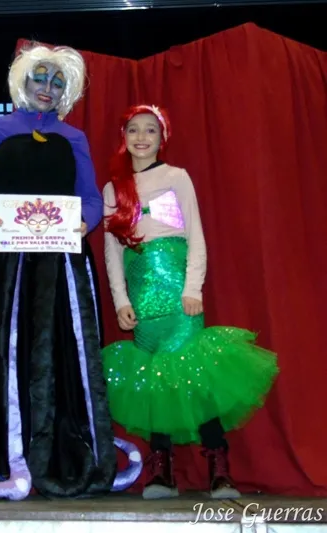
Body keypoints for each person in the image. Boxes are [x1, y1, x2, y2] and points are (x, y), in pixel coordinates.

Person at [0, 43, 142, 500]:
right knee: (4, 350)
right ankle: (1, 456)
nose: (47, 88)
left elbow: (90, 197)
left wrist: (86, 221)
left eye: (57, 82)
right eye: (40, 78)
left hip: (60, 267)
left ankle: (62, 454)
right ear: (24, 81)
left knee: (60, 355)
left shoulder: (73, 137)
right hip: (6, 265)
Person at [100, 104, 279, 499]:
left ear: (162, 138)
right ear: (123, 137)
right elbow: (112, 252)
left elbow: (195, 235)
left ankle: (219, 466)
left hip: (179, 295)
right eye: (134, 129)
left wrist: (193, 288)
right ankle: (162, 470)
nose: (142, 137)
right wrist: (120, 301)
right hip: (142, 300)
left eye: (150, 130)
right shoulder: (113, 189)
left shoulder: (176, 177)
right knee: (156, 382)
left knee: (195, 376)